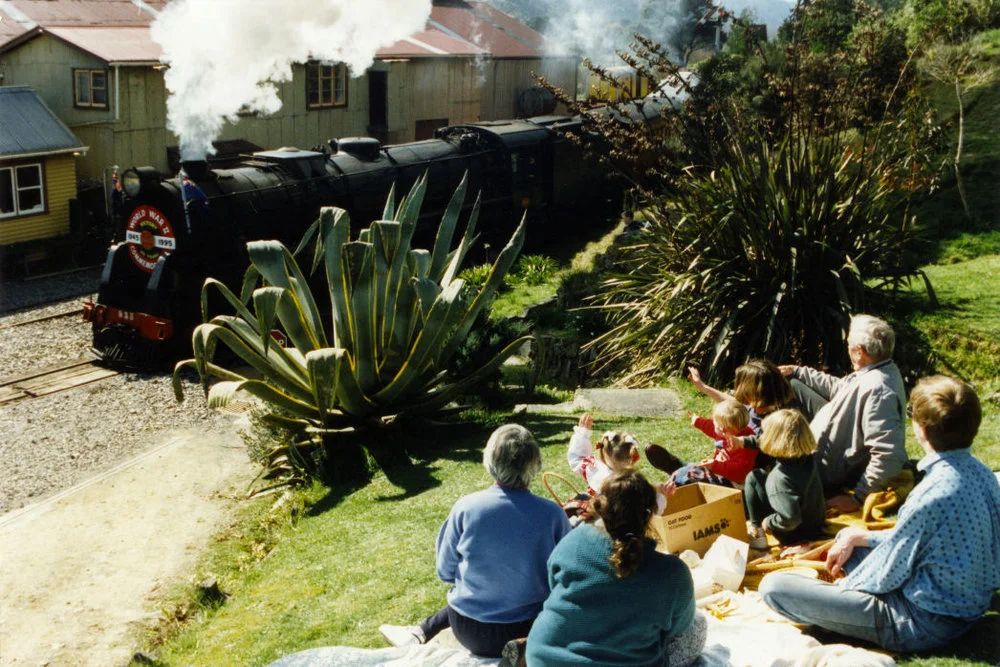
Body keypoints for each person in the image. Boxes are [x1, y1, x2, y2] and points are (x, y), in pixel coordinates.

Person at [760, 375, 1000, 652]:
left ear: (921, 429)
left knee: (774, 587)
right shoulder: (982, 474)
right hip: (964, 604)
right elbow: (918, 541)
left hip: (920, 622)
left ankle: (833, 613)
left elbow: (887, 572)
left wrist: (844, 589)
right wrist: (858, 537)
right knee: (849, 540)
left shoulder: (930, 494)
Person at [379, 424, 571, 658]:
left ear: (489, 461)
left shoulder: (466, 508)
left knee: (467, 595)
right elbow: (566, 578)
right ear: (536, 463)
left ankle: (420, 632)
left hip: (468, 629)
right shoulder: (552, 515)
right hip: (528, 628)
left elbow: (445, 572)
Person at [526, 469, 706, 667]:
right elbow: (678, 627)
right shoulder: (672, 573)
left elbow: (554, 585)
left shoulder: (571, 542)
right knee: (698, 625)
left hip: (544, 656)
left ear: (601, 507)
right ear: (650, 515)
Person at [778, 314, 908, 513]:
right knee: (793, 384)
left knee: (775, 475)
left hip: (835, 467)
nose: (847, 349)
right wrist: (798, 371)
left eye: (849, 345)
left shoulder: (880, 391)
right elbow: (840, 388)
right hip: (838, 432)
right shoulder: (878, 368)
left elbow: (889, 454)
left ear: (859, 352)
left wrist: (857, 498)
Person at [646, 359, 796, 475]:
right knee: (700, 468)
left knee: (697, 474)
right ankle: (681, 467)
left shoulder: (777, 421)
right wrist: (703, 387)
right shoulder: (755, 407)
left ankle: (679, 468)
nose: (742, 397)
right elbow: (732, 404)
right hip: (726, 459)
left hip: (740, 471)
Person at [744, 409, 825, 549]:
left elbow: (791, 519)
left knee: (753, 478)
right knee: (757, 476)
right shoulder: (806, 458)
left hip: (793, 535)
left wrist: (769, 522)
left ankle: (757, 530)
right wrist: (744, 441)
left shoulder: (779, 479)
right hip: (814, 525)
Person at [568, 413, 668, 514]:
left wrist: (582, 434)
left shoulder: (596, 470)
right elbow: (649, 512)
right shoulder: (633, 487)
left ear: (604, 453)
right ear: (631, 458)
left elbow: (577, 458)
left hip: (594, 516)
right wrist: (660, 495)